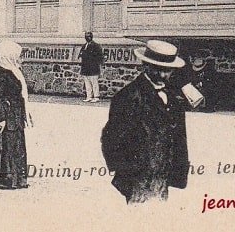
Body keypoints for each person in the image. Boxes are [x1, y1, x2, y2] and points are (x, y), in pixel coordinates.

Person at [101, 39, 189, 204]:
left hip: (162, 178)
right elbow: (110, 138)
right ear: (146, 66)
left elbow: (179, 138)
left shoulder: (174, 98)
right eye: (158, 70)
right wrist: (128, 172)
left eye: (168, 71)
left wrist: (178, 171)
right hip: (138, 180)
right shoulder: (128, 97)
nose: (163, 75)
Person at [0, 40, 31, 189]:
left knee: (18, 146)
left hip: (16, 115)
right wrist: (2, 118)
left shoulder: (15, 72)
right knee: (6, 146)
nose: (22, 60)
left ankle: (20, 178)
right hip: (7, 117)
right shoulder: (1, 75)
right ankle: (7, 178)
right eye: (19, 56)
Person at [79, 32, 103, 103]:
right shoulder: (84, 46)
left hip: (93, 68)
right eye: (86, 36)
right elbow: (81, 54)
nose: (87, 38)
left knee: (94, 83)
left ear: (91, 37)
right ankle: (89, 96)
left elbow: (98, 56)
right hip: (85, 67)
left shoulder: (96, 46)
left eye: (89, 36)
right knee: (87, 83)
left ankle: (96, 97)